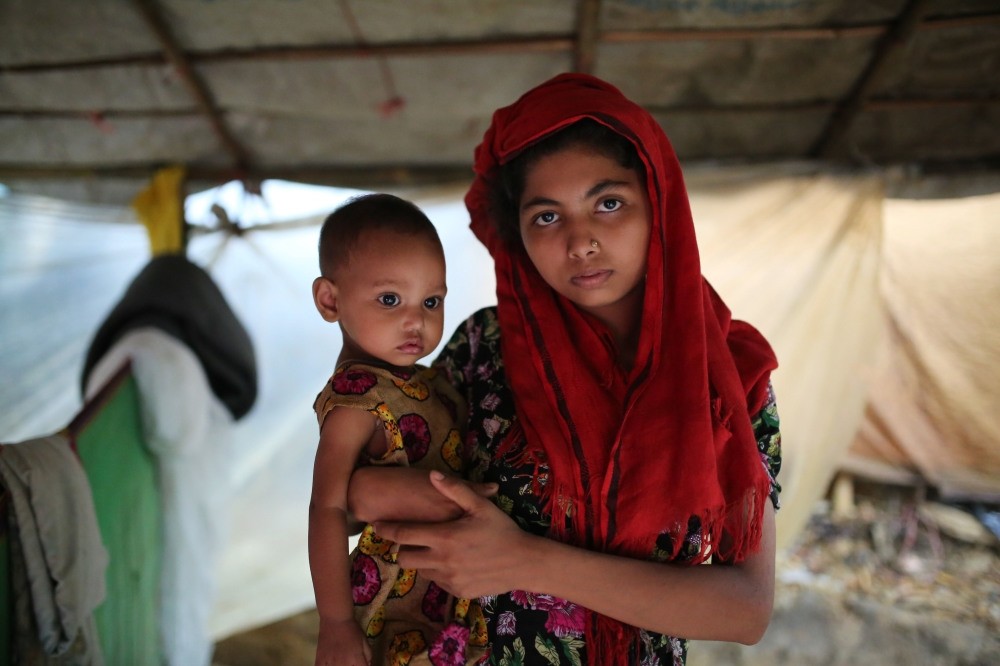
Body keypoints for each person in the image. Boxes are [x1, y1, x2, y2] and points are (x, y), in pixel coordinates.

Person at [348, 74, 783, 665]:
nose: (580, 242)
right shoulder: (485, 349)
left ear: (659, 205)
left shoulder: (729, 377)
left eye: (609, 204)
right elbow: (359, 488)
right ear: (517, 234)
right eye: (547, 217)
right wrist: (366, 489)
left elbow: (746, 610)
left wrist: (524, 559)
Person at [308, 193, 488, 666]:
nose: (417, 320)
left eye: (432, 300)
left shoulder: (428, 381)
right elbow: (327, 509)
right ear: (330, 300)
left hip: (450, 591)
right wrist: (336, 623)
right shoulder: (355, 400)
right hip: (394, 602)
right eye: (390, 299)